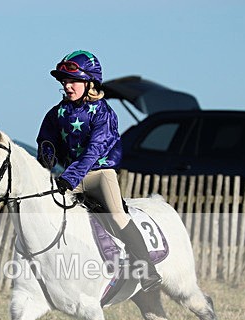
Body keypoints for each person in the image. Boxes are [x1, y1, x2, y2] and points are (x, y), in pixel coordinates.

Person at [36, 50, 161, 295]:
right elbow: (45, 142)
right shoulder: (56, 113)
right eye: (64, 81)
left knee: (116, 216)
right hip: (68, 177)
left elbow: (94, 151)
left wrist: (69, 178)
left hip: (99, 174)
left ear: (90, 83)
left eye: (73, 81)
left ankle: (147, 270)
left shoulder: (104, 113)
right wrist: (47, 156)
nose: (67, 86)